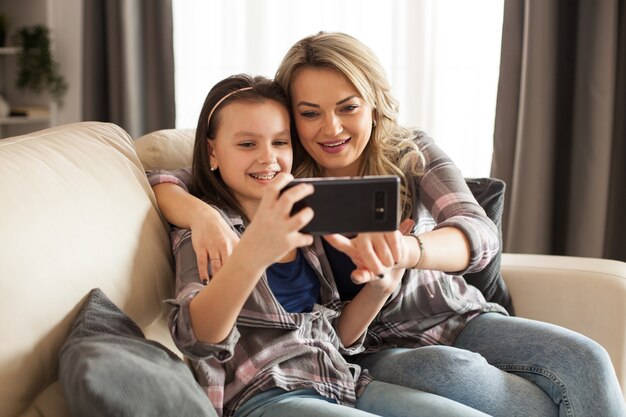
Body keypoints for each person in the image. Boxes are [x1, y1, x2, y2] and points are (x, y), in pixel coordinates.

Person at [150, 34, 625, 417]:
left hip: (446, 315)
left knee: (585, 361)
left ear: (373, 104)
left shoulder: (407, 153)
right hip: (364, 348)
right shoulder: (285, 186)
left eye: (348, 107)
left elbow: (476, 232)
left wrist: (407, 251)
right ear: (293, 117)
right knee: (452, 375)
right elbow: (170, 176)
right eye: (310, 113)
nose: (331, 129)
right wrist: (200, 213)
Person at [164, 73, 491, 417]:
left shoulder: (305, 223)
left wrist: (382, 286)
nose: (267, 158)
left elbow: (338, 337)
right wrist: (250, 254)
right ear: (212, 152)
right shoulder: (204, 233)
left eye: (280, 142)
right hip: (267, 394)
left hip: (343, 382)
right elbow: (197, 336)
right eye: (247, 145)